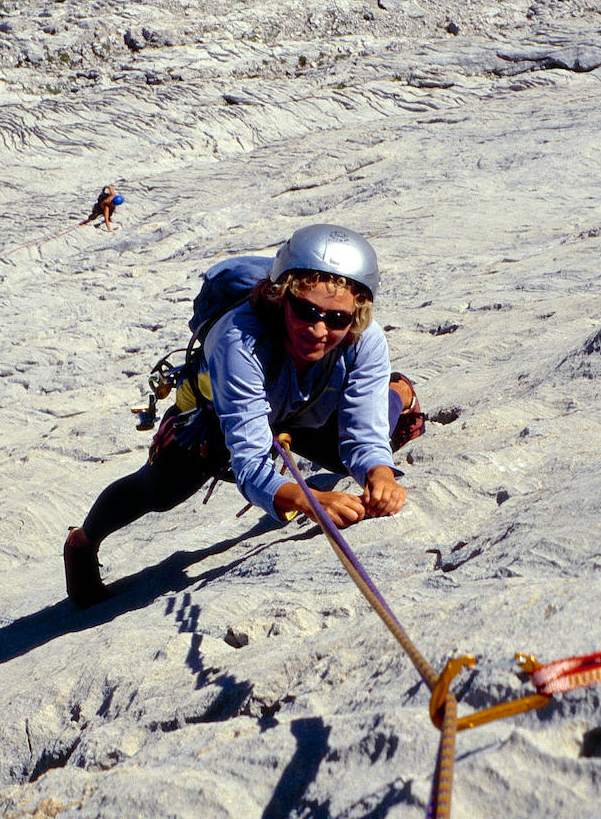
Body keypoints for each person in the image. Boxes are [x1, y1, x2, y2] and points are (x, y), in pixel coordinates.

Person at [64, 223, 425, 608]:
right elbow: (250, 463)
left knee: (357, 452)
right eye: (306, 310)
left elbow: (362, 431)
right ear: (281, 296)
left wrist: (380, 474)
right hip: (217, 417)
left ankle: (396, 392)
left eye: (337, 318)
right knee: (160, 489)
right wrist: (308, 499)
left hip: (305, 407)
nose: (319, 329)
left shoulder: (364, 339)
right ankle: (82, 541)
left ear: (356, 315)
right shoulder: (239, 340)